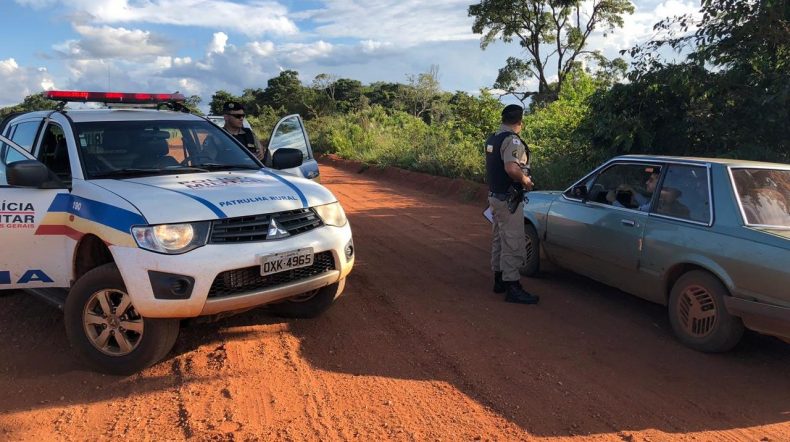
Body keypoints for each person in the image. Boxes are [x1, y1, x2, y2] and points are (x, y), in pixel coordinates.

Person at [486, 104, 540, 304]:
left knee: (499, 238)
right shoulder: (512, 141)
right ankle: (513, 286)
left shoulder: (494, 137)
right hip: (509, 199)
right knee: (513, 240)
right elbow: (511, 168)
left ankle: (499, 280)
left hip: (495, 196)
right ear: (520, 123)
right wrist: (525, 181)